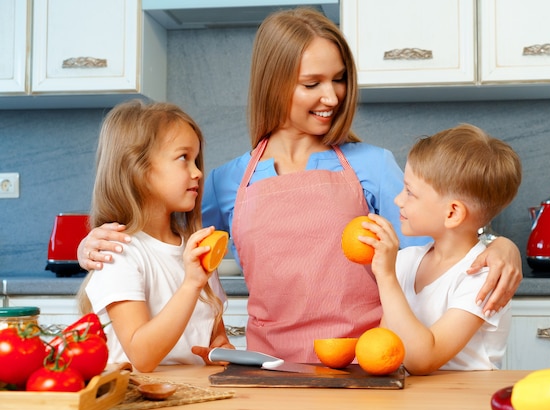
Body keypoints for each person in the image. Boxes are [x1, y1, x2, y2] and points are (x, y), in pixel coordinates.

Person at [77, 8, 522, 363]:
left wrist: (497, 243)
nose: (332, 97)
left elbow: (445, 241)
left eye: (339, 79)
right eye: (313, 83)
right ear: (274, 84)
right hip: (265, 369)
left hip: (364, 367)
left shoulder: (372, 166)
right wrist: (89, 246)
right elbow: (161, 239)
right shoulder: (226, 180)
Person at [76, 100, 233, 372]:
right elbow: (142, 357)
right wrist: (191, 284)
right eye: (183, 158)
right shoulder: (119, 252)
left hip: (195, 395)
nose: (197, 172)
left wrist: (221, 349)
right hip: (138, 401)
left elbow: (214, 334)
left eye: (196, 160)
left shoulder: (196, 248)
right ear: (139, 170)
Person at [362, 124, 522, 375]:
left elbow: (422, 360)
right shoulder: (406, 261)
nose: (397, 200)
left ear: (452, 213)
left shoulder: (482, 277)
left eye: (410, 192)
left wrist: (386, 277)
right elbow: (387, 346)